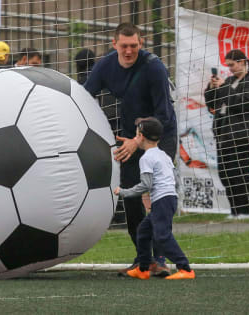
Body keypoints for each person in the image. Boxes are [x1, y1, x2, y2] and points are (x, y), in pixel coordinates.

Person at [84, 22, 177, 276]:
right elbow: (84, 96)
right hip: (129, 138)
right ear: (114, 45)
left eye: (133, 46)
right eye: (124, 46)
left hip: (160, 135)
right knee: (131, 197)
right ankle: (143, 259)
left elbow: (163, 115)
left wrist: (140, 140)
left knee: (156, 195)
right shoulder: (105, 66)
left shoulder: (154, 68)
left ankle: (159, 259)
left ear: (141, 43)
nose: (128, 51)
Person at [114, 117, 195, 280]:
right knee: (143, 232)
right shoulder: (163, 154)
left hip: (163, 201)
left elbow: (145, 185)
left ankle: (185, 268)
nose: (135, 137)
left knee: (162, 235)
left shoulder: (146, 158)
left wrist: (124, 192)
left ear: (141, 137)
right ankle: (143, 268)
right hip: (168, 199)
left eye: (136, 134)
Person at [204, 49, 249, 219]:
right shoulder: (229, 81)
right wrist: (212, 88)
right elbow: (213, 102)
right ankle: (235, 211)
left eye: (232, 65)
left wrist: (224, 87)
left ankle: (246, 211)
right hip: (224, 135)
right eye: (228, 65)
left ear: (243, 62)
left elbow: (241, 103)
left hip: (241, 135)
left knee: (240, 172)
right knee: (225, 173)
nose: (230, 69)